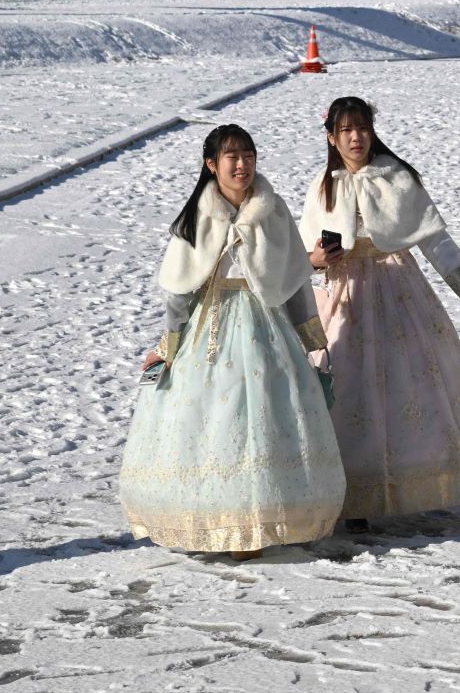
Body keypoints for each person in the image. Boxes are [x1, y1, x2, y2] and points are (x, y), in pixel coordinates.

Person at [120, 124, 345, 559]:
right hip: (212, 328)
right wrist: (169, 344)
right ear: (211, 165)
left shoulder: (272, 209)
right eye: (232, 158)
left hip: (266, 326)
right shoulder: (197, 217)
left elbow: (295, 279)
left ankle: (268, 517)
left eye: (248, 156)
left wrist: (312, 339)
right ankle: (216, 518)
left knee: (266, 416)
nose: (242, 165)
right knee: (212, 421)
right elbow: (180, 290)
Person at [300, 96, 460, 533]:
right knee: (346, 383)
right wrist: (316, 259)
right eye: (346, 130)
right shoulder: (322, 187)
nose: (356, 137)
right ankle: (351, 490)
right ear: (331, 136)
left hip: (396, 289)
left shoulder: (396, 177)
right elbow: (304, 250)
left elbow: (433, 238)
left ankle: (405, 482)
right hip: (344, 292)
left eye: (363, 127)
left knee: (405, 381)